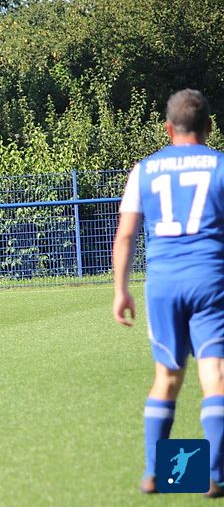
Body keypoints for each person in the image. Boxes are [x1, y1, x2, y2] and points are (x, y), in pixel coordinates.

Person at [113, 89, 224, 497]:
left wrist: (120, 290)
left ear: (168, 128)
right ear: (209, 126)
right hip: (211, 281)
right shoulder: (221, 167)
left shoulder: (144, 170)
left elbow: (126, 235)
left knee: (167, 375)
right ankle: (213, 476)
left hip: (162, 285)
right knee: (215, 375)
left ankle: (155, 473)